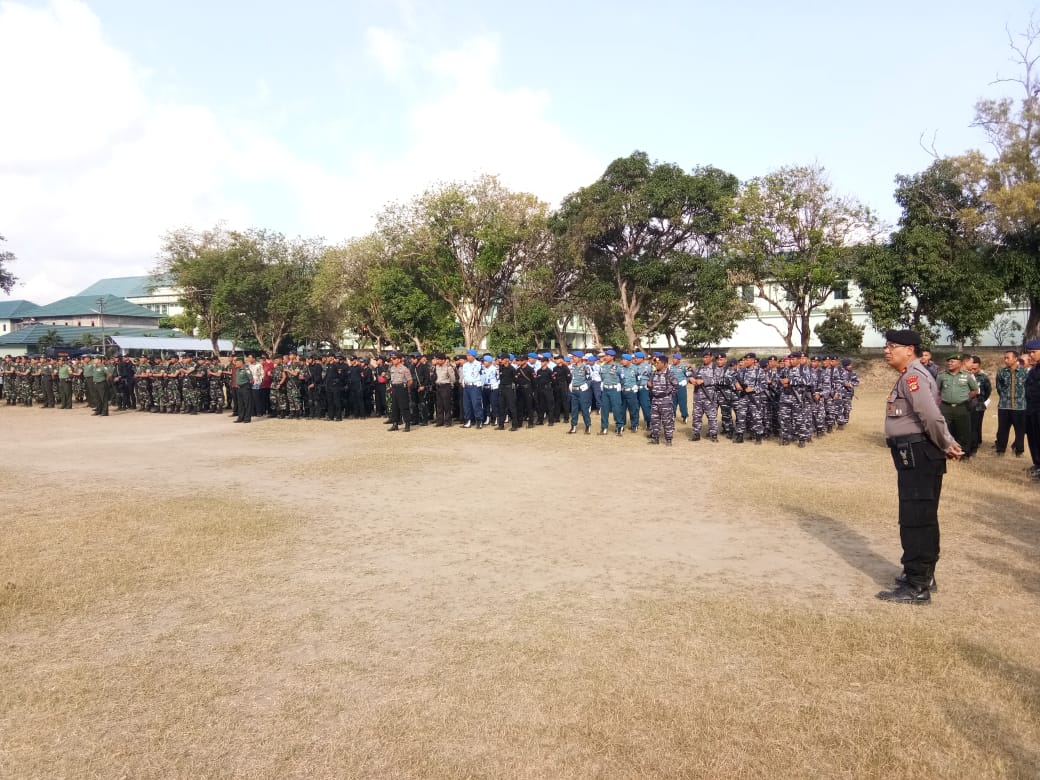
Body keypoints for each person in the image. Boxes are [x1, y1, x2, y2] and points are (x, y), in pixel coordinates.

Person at [877, 329, 962, 605]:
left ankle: (917, 585)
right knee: (922, 516)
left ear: (909, 350)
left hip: (918, 454)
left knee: (915, 518)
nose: (886, 350)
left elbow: (930, 416)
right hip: (916, 454)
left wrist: (946, 443)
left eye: (892, 346)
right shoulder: (911, 375)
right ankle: (923, 575)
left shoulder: (913, 376)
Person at [935, 353, 978, 458]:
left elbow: (975, 390)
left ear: (960, 363)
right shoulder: (942, 376)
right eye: (948, 361)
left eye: (952, 361)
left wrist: (965, 398)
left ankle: (964, 454)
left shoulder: (967, 376)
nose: (949, 363)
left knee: (963, 431)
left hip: (962, 407)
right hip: (945, 407)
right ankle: (947, 453)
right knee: (945, 430)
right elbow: (936, 390)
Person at [994, 349, 1028, 457]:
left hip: (1019, 407)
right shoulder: (1001, 372)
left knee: (1020, 431)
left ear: (1015, 358)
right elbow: (999, 387)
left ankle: (1019, 450)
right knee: (1002, 430)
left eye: (1008, 358)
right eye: (1005, 358)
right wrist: (1005, 398)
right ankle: (1000, 450)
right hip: (1004, 406)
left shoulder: (1024, 373)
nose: (1005, 360)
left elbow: (1027, 388)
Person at [646, 354, 679, 445]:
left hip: (665, 402)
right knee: (655, 420)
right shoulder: (654, 374)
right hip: (655, 400)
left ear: (665, 364)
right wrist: (649, 385)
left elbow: (676, 385)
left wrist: (669, 395)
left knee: (667, 421)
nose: (656, 364)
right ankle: (655, 438)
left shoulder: (669, 374)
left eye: (658, 362)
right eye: (656, 363)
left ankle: (668, 439)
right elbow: (650, 384)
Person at [965, 355, 990, 458]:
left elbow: (988, 390)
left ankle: (975, 445)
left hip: (979, 403)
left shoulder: (983, 377)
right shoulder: (965, 375)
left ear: (979, 366)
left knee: (976, 426)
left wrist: (982, 400)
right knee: (969, 426)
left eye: (974, 368)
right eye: (971, 368)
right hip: (967, 404)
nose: (972, 370)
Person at [1025, 339, 1040, 480]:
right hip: (1031, 410)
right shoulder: (1033, 371)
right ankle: (1037, 464)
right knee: (1033, 439)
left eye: (1034, 352)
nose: (1031, 355)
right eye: (1030, 352)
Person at [387, 353, 412, 432]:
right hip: (394, 388)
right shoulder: (392, 368)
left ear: (399, 359)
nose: (393, 360)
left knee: (404, 407)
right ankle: (395, 424)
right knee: (394, 407)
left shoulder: (405, 369)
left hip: (402, 388)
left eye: (394, 358)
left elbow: (410, 381)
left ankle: (407, 424)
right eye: (392, 358)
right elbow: (391, 379)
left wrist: (404, 387)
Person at [233, 357, 253, 423]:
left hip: (245, 387)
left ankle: (247, 418)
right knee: (240, 404)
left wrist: (247, 386)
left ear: (241, 362)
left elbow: (251, 380)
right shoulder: (238, 369)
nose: (236, 363)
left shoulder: (246, 369)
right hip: (239, 388)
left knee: (247, 403)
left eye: (237, 362)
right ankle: (240, 417)